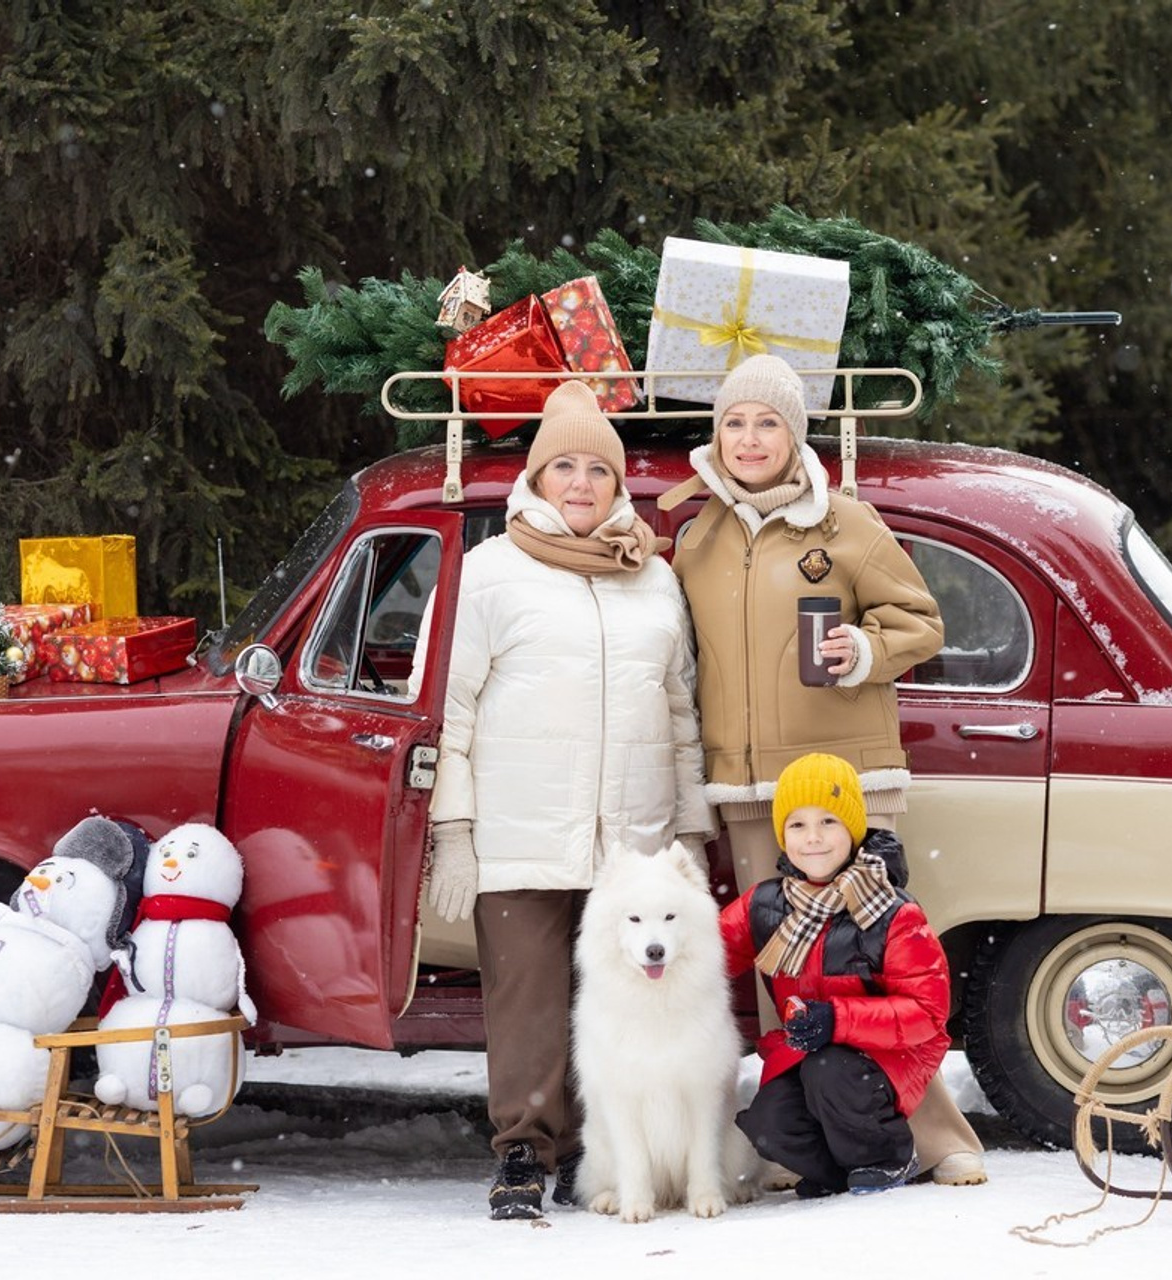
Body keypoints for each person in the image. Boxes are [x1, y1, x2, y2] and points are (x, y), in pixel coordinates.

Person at [666, 352, 987, 1186]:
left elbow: (921, 621)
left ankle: (941, 1140)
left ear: (795, 434)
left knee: (873, 966)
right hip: (748, 793)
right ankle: (803, 1138)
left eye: (767, 421)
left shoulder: (844, 524)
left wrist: (864, 649)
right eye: (734, 422)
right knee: (787, 977)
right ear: (716, 434)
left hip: (845, 786)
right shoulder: (697, 538)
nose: (748, 438)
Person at [422, 379, 715, 1220]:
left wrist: (685, 835)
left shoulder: (652, 580)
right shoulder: (486, 573)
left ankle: (608, 1155)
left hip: (635, 842)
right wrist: (456, 826)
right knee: (529, 998)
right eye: (565, 468)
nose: (582, 484)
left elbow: (679, 709)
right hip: (521, 830)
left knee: (629, 1005)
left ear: (620, 485)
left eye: (598, 469)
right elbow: (454, 706)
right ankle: (523, 1152)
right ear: (537, 478)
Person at [721, 753, 951, 1197]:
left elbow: (927, 1012)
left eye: (828, 822)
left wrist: (838, 1020)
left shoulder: (892, 911)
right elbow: (709, 952)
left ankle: (886, 1159)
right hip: (811, 1051)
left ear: (852, 828)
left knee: (832, 1071)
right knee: (768, 1123)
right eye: (797, 825)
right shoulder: (767, 903)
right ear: (782, 835)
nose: (813, 839)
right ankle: (836, 1173)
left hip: (890, 1055)